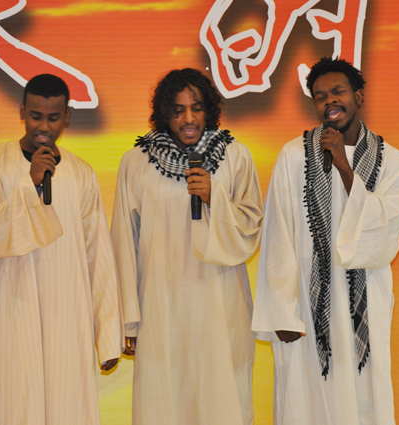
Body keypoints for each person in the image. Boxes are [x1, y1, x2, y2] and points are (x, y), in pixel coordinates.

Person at [251, 57, 399, 425]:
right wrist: (281, 311)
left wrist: (343, 166)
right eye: (320, 96)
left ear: (359, 96)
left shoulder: (393, 162)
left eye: (338, 92)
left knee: (364, 397)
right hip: (306, 311)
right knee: (305, 400)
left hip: (366, 305)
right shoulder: (293, 156)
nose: (330, 101)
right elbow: (278, 236)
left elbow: (384, 239)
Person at [112, 68, 264, 425]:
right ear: (164, 113)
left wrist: (215, 197)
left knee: (220, 397)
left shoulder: (235, 156)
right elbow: (123, 242)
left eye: (196, 108)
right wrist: (128, 319)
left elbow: (251, 224)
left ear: (209, 109)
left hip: (219, 301)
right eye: (178, 110)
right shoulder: (136, 162)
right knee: (164, 399)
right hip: (159, 304)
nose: (189, 119)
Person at [0, 74, 123, 425]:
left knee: (64, 405)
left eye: (53, 118)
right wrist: (31, 184)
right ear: (22, 112)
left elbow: (97, 253)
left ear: (66, 117)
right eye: (36, 116)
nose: (43, 126)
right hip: (7, 309)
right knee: (8, 406)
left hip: (65, 312)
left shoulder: (81, 173)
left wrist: (107, 333)